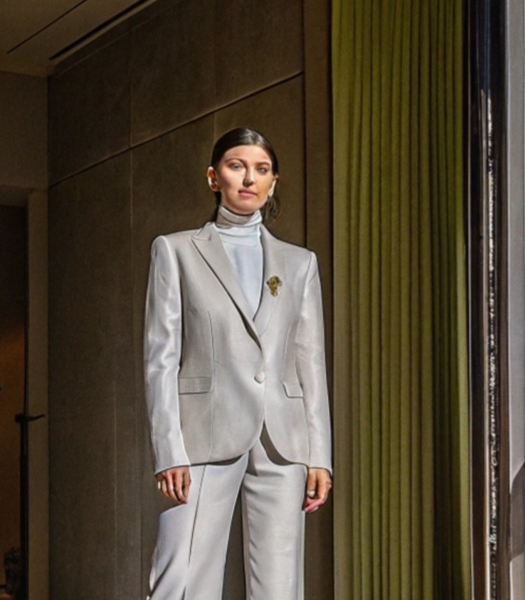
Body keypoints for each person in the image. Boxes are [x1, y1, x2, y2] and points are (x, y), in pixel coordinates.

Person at [142, 127, 332, 599]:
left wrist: (319, 455)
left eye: (261, 169)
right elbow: (159, 358)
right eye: (236, 166)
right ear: (213, 177)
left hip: (283, 441)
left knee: (279, 587)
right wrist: (169, 451)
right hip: (200, 437)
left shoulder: (299, 263)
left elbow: (309, 363)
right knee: (181, 583)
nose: (249, 178)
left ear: (273, 183)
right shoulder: (176, 250)